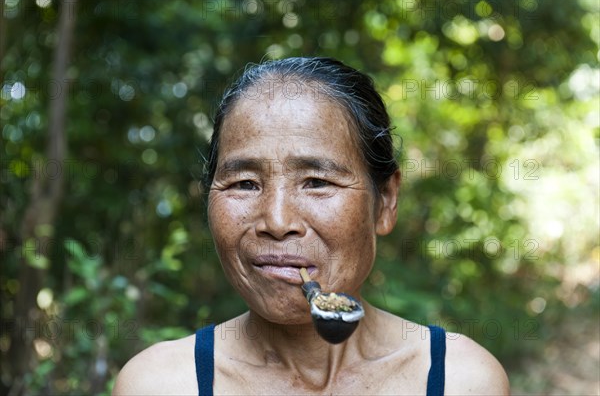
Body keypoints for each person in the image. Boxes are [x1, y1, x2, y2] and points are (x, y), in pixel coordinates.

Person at [113, 57, 509, 395]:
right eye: (245, 184)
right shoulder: (161, 385)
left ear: (385, 202)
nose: (278, 221)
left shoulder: (460, 380)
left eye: (317, 182)